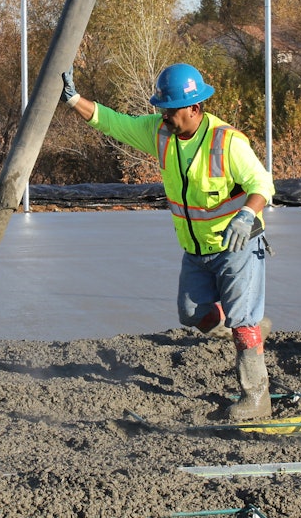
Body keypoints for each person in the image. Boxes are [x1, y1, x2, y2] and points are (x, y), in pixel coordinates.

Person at [60, 63, 275, 421]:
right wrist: (74, 100)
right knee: (191, 313)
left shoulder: (226, 142)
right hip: (197, 249)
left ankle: (256, 398)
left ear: (195, 108)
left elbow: (262, 184)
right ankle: (249, 328)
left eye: (170, 109)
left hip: (238, 245)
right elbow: (115, 123)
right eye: (161, 108)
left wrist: (247, 214)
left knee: (243, 321)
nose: (164, 115)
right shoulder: (161, 133)